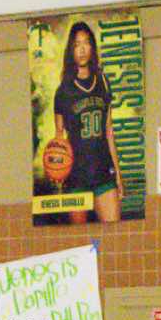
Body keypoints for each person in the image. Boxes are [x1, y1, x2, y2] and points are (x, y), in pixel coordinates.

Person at [48, 21, 122, 223]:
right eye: (76, 44)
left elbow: (108, 131)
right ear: (71, 50)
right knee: (78, 239)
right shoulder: (63, 91)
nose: (81, 49)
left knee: (115, 235)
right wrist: (56, 170)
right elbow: (59, 138)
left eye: (86, 43)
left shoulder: (103, 82)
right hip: (76, 176)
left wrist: (118, 173)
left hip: (103, 172)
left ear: (92, 47)